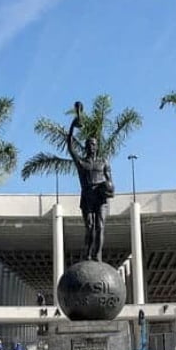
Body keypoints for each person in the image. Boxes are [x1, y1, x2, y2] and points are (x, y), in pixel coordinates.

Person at [67, 101, 114, 262]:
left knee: (100, 227)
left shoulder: (104, 162)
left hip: (100, 197)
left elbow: (110, 180)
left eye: (94, 144)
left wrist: (110, 188)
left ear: (97, 147)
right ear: (86, 147)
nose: (91, 146)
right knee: (89, 228)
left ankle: (97, 255)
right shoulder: (82, 163)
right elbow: (70, 147)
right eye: (89, 144)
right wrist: (72, 126)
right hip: (87, 197)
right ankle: (87, 254)